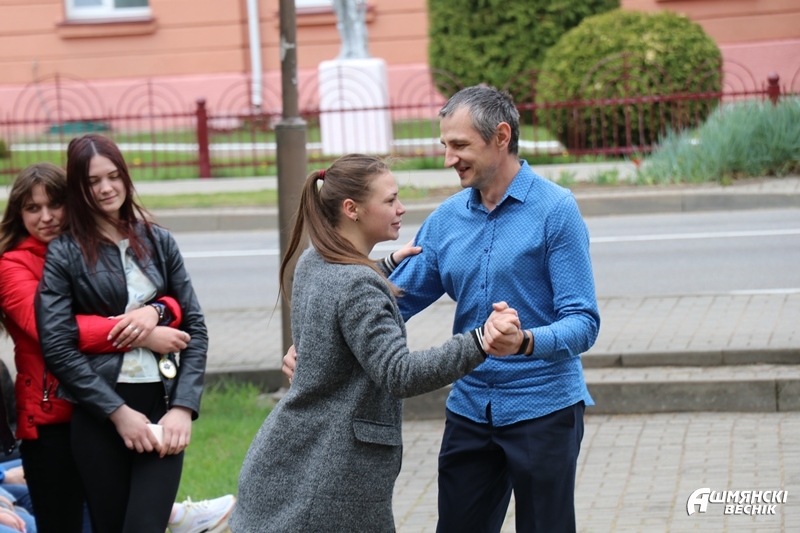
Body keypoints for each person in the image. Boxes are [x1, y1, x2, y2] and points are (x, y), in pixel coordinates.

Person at [285, 86, 600, 532]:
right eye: (445, 145)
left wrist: (526, 341)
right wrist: (315, 345)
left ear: (501, 137)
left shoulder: (556, 211)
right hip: (471, 410)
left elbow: (583, 322)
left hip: (544, 408)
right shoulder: (447, 219)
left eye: (459, 145)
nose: (449, 158)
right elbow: (388, 301)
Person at [230, 154, 522, 533]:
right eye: (390, 200)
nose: (401, 209)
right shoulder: (357, 286)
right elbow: (400, 373)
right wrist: (481, 341)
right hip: (335, 479)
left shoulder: (314, 262)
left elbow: (343, 294)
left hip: (294, 456)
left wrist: (383, 266)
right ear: (352, 209)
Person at [0, 162, 234, 533]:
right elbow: (50, 332)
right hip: (52, 419)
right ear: (18, 213)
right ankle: (181, 516)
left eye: (55, 204)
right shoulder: (13, 265)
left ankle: (176, 515)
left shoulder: (92, 248)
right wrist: (142, 333)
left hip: (101, 407)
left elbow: (150, 298)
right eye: (32, 208)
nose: (46, 217)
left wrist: (160, 310)